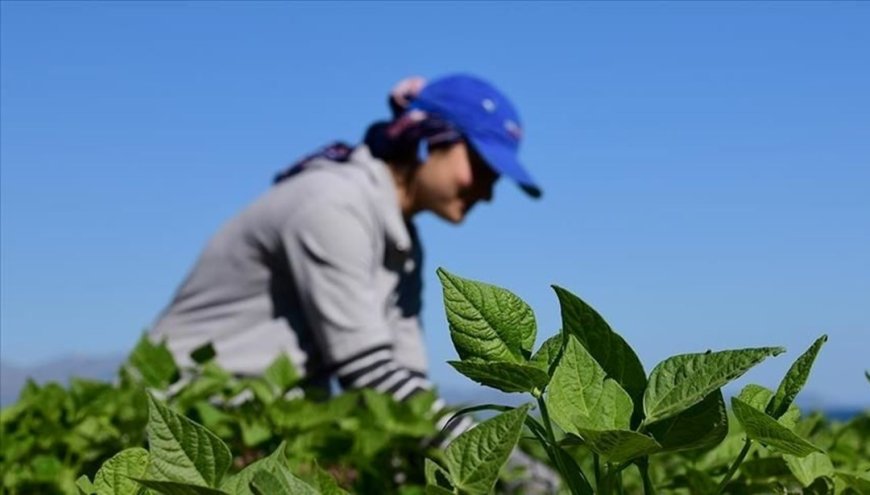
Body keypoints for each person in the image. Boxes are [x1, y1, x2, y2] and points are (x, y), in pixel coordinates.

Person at [148, 73, 553, 490]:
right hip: (186, 416)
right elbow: (369, 372)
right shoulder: (332, 205)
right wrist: (513, 473)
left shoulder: (400, 241)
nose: (487, 192)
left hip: (261, 426)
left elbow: (404, 390)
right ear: (431, 140)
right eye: (483, 168)